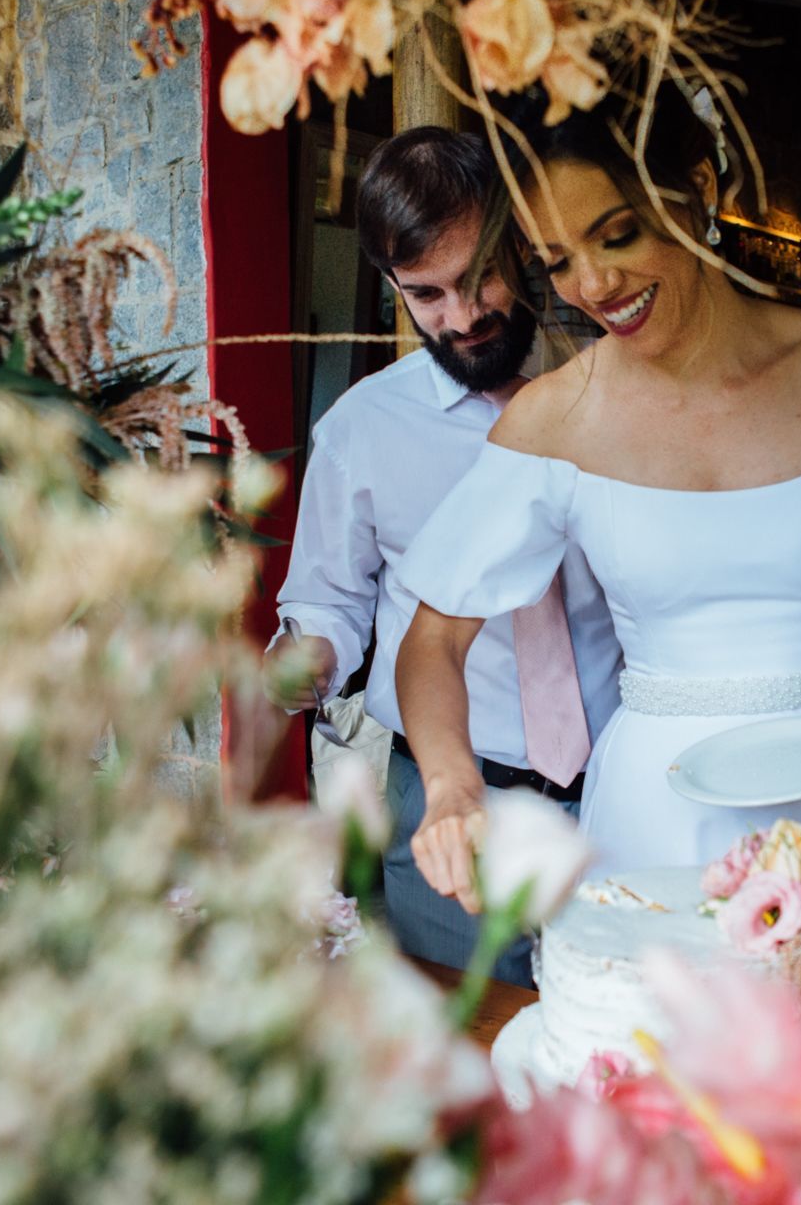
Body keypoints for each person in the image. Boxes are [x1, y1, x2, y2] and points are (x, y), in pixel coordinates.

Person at [394, 83, 801, 909]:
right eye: (557, 261)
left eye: (618, 234)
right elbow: (432, 642)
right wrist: (453, 789)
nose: (593, 285)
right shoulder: (554, 419)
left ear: (700, 189)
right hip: (654, 812)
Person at [264, 126, 621, 983]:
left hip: (621, 793)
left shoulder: (614, 397)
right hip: (444, 805)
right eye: (427, 295)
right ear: (392, 286)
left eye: (479, 277)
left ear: (521, 248)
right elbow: (330, 602)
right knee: (470, 1062)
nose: (462, 318)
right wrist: (306, 653)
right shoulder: (361, 429)